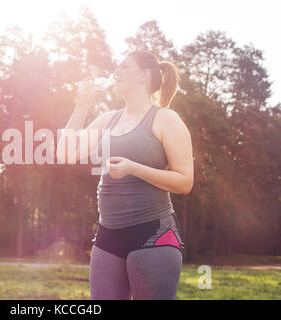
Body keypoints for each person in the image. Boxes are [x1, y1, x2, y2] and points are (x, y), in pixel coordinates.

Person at [56, 50, 194, 300]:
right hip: (108, 236)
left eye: (124, 67)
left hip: (154, 236)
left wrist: (134, 168)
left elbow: (185, 182)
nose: (116, 72)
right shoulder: (107, 119)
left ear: (144, 75)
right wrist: (82, 105)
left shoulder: (165, 119)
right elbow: (66, 153)